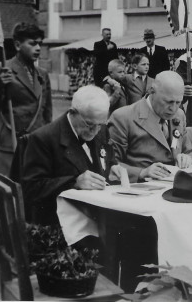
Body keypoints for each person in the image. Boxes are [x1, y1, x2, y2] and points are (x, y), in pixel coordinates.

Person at [22, 86, 120, 226]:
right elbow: (31, 189)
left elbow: (108, 160)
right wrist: (74, 183)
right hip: (61, 223)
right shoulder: (44, 138)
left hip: (98, 217)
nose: (95, 131)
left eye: (100, 125)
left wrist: (113, 168)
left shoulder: (100, 129)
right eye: (89, 125)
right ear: (73, 112)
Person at [0, 23, 52, 176]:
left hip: (36, 142)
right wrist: (0, 84)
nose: (38, 48)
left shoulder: (42, 74)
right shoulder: (1, 68)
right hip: (9, 141)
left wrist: (47, 141)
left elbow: (47, 114)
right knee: (8, 190)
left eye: (40, 43)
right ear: (17, 45)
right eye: (32, 43)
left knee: (32, 190)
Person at [108, 71, 192, 183]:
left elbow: (191, 152)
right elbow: (110, 165)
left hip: (176, 186)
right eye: (168, 102)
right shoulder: (123, 117)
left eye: (178, 102)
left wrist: (188, 159)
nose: (173, 108)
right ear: (152, 91)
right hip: (141, 190)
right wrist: (142, 172)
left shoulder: (179, 115)